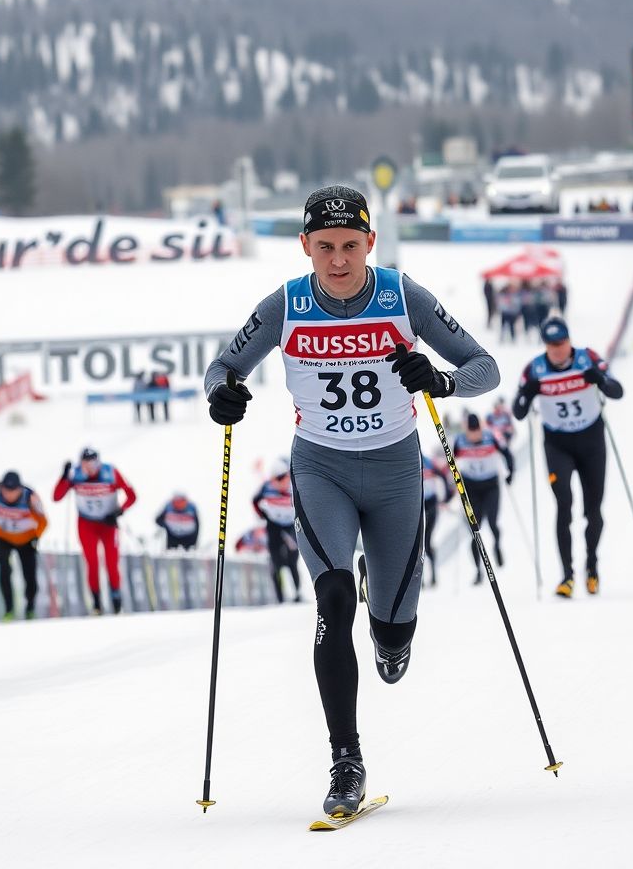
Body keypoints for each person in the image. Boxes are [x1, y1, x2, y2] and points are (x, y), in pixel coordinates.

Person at [203, 183, 499, 816]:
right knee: (333, 597)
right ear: (305, 247)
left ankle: (391, 631)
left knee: (391, 640)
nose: (338, 261)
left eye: (351, 246)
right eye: (325, 247)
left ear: (371, 242)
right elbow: (222, 367)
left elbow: (485, 367)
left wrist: (441, 380)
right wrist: (222, 393)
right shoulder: (285, 304)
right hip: (321, 472)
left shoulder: (400, 294)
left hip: (395, 474)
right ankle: (346, 760)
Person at [512, 316, 623, 599]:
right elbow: (520, 411)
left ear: (569, 341)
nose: (557, 350)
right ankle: (567, 576)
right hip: (557, 444)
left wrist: (598, 379)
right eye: (551, 345)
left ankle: (592, 567)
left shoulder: (587, 358)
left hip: (591, 441)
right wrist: (527, 392)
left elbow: (617, 391)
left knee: (593, 510)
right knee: (564, 505)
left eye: (561, 343)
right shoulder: (535, 369)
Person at [53, 446, 136, 614]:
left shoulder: (110, 472)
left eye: (93, 463)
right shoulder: (75, 474)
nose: (90, 468)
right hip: (87, 523)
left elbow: (132, 495)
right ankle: (97, 601)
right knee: (92, 562)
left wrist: (119, 511)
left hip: (107, 524)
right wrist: (63, 477)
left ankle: (116, 597)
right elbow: (57, 497)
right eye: (86, 464)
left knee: (112, 562)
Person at [0, 471, 48, 621]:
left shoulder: (30, 497)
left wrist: (36, 536)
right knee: (5, 570)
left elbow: (43, 521)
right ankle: (9, 609)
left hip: (26, 539)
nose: (9, 495)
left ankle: (30, 607)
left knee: (29, 574)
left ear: (20, 489)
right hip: (1, 537)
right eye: (6, 491)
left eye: (13, 491)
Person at [452, 413, 514, 584]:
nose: (474, 436)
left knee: (493, 523)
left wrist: (510, 473)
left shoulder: (491, 436)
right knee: (475, 530)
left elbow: (507, 454)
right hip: (471, 488)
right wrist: (455, 479)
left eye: (476, 431)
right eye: (471, 432)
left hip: (490, 486)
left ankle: (497, 545)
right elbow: (450, 461)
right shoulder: (460, 440)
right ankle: (478, 571)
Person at [252, 458, 302, 602]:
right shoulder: (266, 487)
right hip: (274, 525)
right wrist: (264, 515)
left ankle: (297, 593)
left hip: (290, 526)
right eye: (275, 479)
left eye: (281, 477)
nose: (278, 482)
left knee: (292, 560)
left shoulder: (294, 486)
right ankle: (280, 597)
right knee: (276, 562)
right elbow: (255, 501)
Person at [421, 452, 450, 586]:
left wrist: (447, 498)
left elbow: (443, 476)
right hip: (417, 507)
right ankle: (419, 579)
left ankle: (433, 576)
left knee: (427, 542)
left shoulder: (428, 461)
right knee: (418, 545)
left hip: (431, 504)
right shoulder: (405, 462)